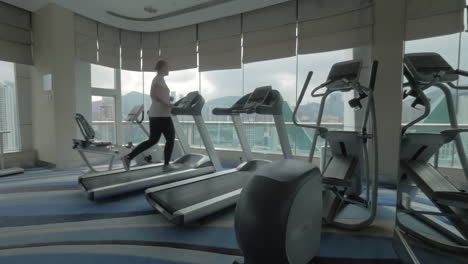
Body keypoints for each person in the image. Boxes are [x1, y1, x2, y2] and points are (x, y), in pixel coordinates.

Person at [121, 60, 175, 171]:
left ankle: (128, 157)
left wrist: (168, 101)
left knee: (153, 140)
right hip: (161, 115)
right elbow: (153, 95)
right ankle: (166, 165)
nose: (168, 69)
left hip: (157, 115)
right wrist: (167, 104)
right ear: (162, 68)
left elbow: (158, 96)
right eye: (167, 67)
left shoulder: (160, 80)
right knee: (170, 138)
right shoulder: (157, 79)